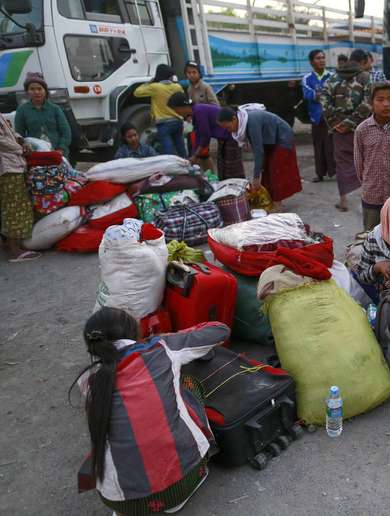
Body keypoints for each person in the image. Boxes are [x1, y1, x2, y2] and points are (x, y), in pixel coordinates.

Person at [72, 307, 229, 515]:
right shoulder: (162, 348)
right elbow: (220, 330)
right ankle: (181, 487)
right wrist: (169, 336)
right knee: (187, 385)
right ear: (132, 330)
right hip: (182, 484)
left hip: (119, 502)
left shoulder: (88, 381)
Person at [319, 49, 372, 212]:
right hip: (360, 128)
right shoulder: (365, 77)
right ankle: (367, 198)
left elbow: (324, 101)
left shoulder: (333, 78)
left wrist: (336, 124)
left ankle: (344, 201)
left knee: (342, 163)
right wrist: (351, 122)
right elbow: (368, 103)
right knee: (365, 162)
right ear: (363, 62)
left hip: (338, 130)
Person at [354, 83, 390, 231]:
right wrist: (369, 182)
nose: (385, 104)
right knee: (371, 234)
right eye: (380, 99)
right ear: (371, 103)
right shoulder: (362, 130)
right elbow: (359, 164)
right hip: (372, 193)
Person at [217, 106, 301, 203]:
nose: (228, 131)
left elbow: (258, 151)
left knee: (275, 170)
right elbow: (258, 150)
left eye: (228, 127)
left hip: (282, 137)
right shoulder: (244, 121)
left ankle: (278, 204)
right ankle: (269, 200)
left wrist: (256, 177)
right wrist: (257, 173)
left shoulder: (251, 122)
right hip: (270, 140)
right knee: (265, 170)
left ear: (234, 119)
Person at [168, 93, 242, 178]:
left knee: (231, 169)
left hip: (231, 136)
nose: (176, 113)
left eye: (176, 110)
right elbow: (199, 135)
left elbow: (205, 136)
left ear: (181, 106)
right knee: (222, 168)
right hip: (224, 138)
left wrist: (195, 156)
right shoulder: (195, 112)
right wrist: (194, 155)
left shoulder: (199, 111)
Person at [0, 114, 38, 262]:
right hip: (7, 167)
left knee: (11, 205)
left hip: (13, 164)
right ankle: (14, 250)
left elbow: (9, 131)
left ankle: (9, 244)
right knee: (14, 208)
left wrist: (21, 139)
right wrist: (20, 148)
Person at [134, 64, 187, 157]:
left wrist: (149, 82)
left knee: (168, 150)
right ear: (170, 75)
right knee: (180, 147)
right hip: (178, 121)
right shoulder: (177, 87)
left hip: (164, 123)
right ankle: (187, 165)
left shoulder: (155, 87)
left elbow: (137, 92)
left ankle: (170, 169)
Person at [14, 73, 71, 157]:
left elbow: (66, 132)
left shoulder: (55, 109)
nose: (36, 92)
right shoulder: (22, 110)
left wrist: (61, 149)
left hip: (58, 152)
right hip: (35, 153)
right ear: (27, 92)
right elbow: (19, 134)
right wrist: (25, 147)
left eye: (39, 89)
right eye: (32, 89)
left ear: (45, 91)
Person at [302, 49, 336, 183]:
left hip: (331, 117)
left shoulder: (332, 76)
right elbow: (308, 95)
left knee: (332, 145)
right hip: (316, 118)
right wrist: (324, 94)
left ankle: (334, 172)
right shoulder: (307, 78)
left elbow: (335, 95)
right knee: (318, 146)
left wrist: (319, 93)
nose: (321, 60)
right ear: (311, 62)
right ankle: (319, 174)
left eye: (323, 57)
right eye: (317, 58)